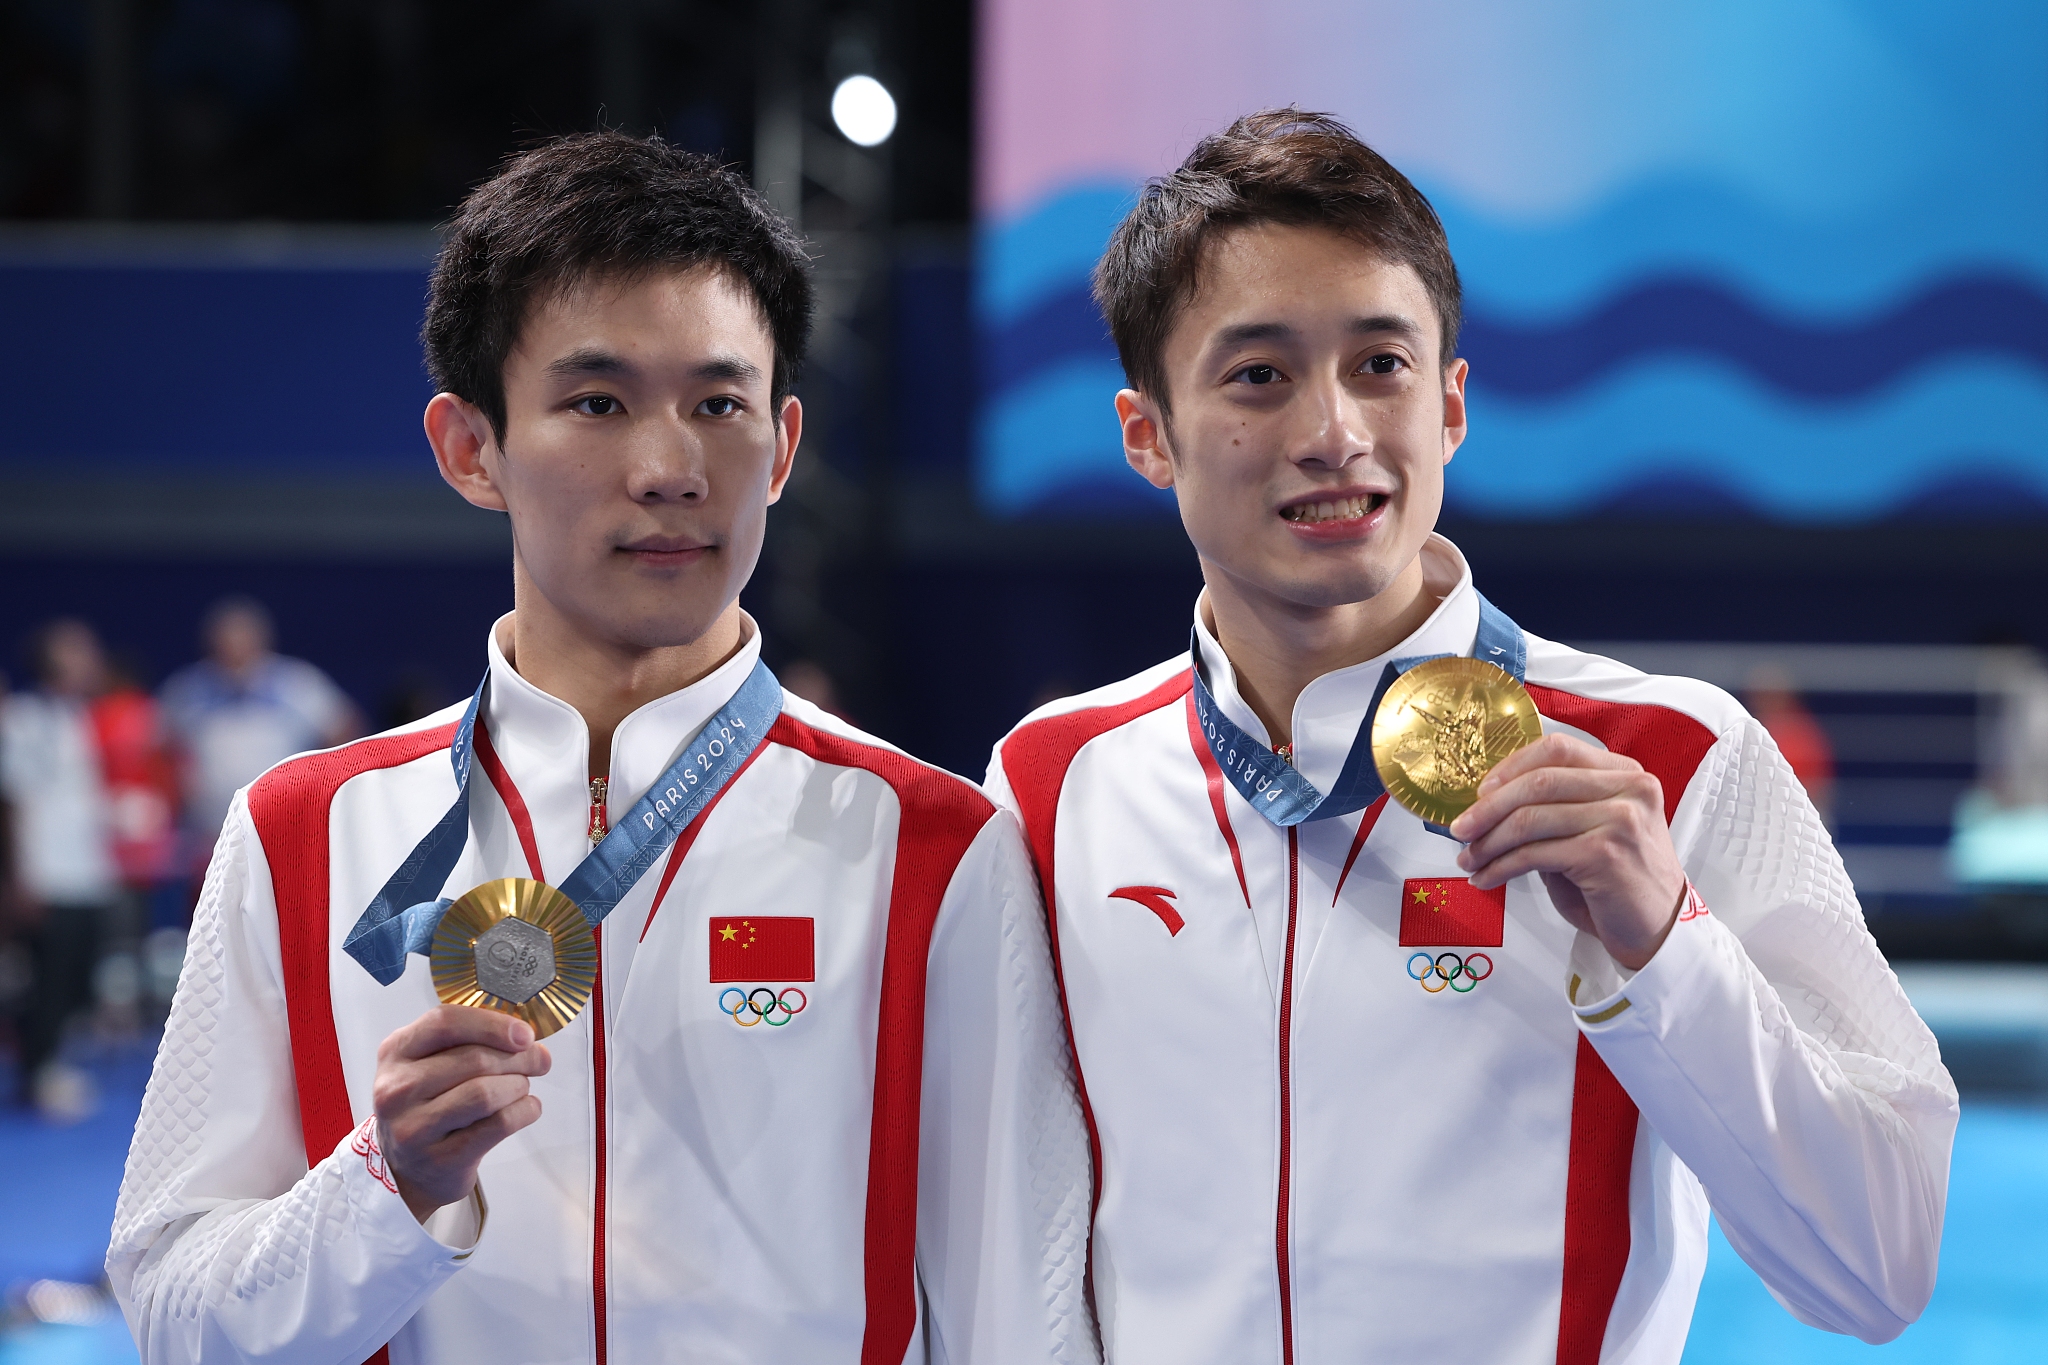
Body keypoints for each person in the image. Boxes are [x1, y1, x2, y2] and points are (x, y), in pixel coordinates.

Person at [986, 110, 1954, 1364]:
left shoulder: (1669, 757)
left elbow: (1879, 1269)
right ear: (1146, 435)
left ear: (1448, 408)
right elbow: (1016, 1242)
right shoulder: (1053, 782)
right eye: (1258, 373)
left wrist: (1663, 939)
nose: (1333, 431)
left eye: (1379, 364)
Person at [110, 133, 1094, 1364]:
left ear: (782, 448)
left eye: (718, 404)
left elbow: (1022, 1319)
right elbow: (177, 1320)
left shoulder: (938, 847)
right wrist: (390, 1186)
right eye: (596, 401)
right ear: (470, 448)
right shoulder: (300, 835)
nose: (669, 466)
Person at [1, 620, 122, 1120]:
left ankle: (48, 1061)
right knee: (47, 981)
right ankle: (38, 1072)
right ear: (55, 662)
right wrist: (19, 875)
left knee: (78, 977)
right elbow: (13, 802)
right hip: (47, 873)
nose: (92, 660)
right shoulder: (25, 720)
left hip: (88, 871)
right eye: (80, 652)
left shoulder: (83, 718)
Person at [158, 596, 359, 872]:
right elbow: (160, 749)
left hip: (285, 830)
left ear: (262, 640)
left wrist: (318, 793)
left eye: (242, 636)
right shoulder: (188, 691)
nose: (234, 646)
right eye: (226, 638)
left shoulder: (296, 683)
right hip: (210, 836)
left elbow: (344, 730)